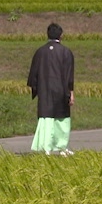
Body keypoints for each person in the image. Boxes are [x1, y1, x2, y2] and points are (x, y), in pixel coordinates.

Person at [27, 22, 75, 156]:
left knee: (46, 119)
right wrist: (70, 92)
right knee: (62, 119)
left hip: (45, 91)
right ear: (61, 35)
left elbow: (33, 75)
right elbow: (69, 75)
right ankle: (62, 147)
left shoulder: (40, 52)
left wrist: (36, 89)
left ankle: (45, 147)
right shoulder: (66, 52)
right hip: (61, 90)